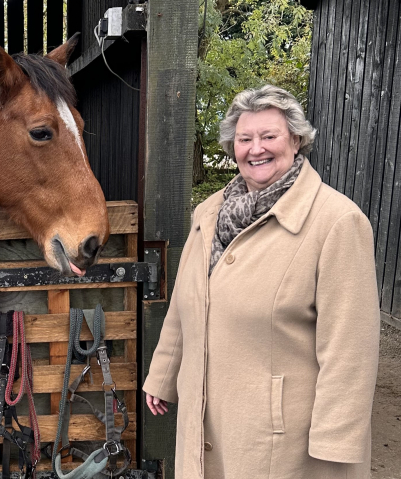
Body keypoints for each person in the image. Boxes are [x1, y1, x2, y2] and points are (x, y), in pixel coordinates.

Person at [142, 85, 380, 479]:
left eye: (269, 136)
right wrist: (163, 375)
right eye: (244, 138)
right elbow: (186, 306)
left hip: (281, 440)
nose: (256, 149)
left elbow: (350, 349)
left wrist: (336, 442)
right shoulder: (208, 212)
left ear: (297, 139)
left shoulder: (337, 222)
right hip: (205, 419)